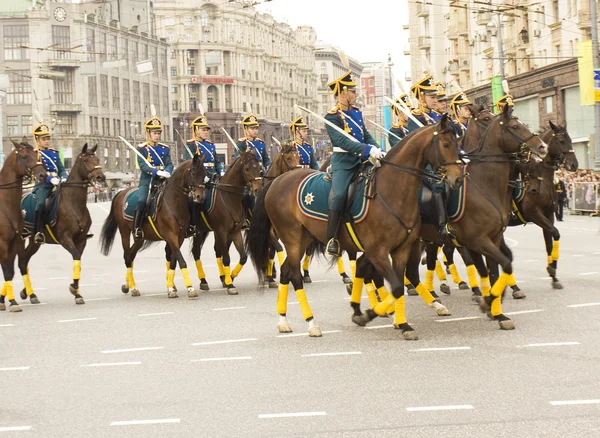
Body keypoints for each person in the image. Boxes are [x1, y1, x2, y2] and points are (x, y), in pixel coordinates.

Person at [324, 70, 384, 256]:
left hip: (362, 160)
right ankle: (331, 238)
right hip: (344, 162)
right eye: (352, 91)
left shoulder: (356, 113)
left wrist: (377, 149)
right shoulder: (331, 117)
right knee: (340, 194)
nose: (356, 94)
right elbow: (342, 142)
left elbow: (365, 135)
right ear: (342, 94)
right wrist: (367, 150)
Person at [133, 117, 173, 240]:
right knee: (142, 201)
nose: (157, 136)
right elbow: (143, 166)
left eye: (158, 133)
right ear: (148, 133)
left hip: (163, 180)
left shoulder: (164, 148)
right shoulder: (142, 148)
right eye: (154, 133)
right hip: (148, 181)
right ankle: (137, 228)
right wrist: (157, 172)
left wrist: (167, 171)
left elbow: (169, 163)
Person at [184, 114, 222, 235]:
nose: (206, 132)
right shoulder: (191, 145)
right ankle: (193, 225)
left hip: (213, 176)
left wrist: (220, 171)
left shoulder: (211, 145)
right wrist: (202, 176)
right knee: (195, 200)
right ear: (196, 131)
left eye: (207, 130)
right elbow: (189, 163)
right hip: (199, 179)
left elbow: (217, 161)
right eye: (203, 130)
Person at [32, 123, 68, 244]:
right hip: (43, 185)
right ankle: (38, 232)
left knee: (73, 199)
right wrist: (50, 179)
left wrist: (63, 177)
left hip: (58, 183)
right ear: (37, 140)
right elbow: (39, 173)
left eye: (48, 138)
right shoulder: (35, 155)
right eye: (44, 139)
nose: (47, 141)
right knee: (41, 204)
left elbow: (61, 168)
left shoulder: (54, 153)